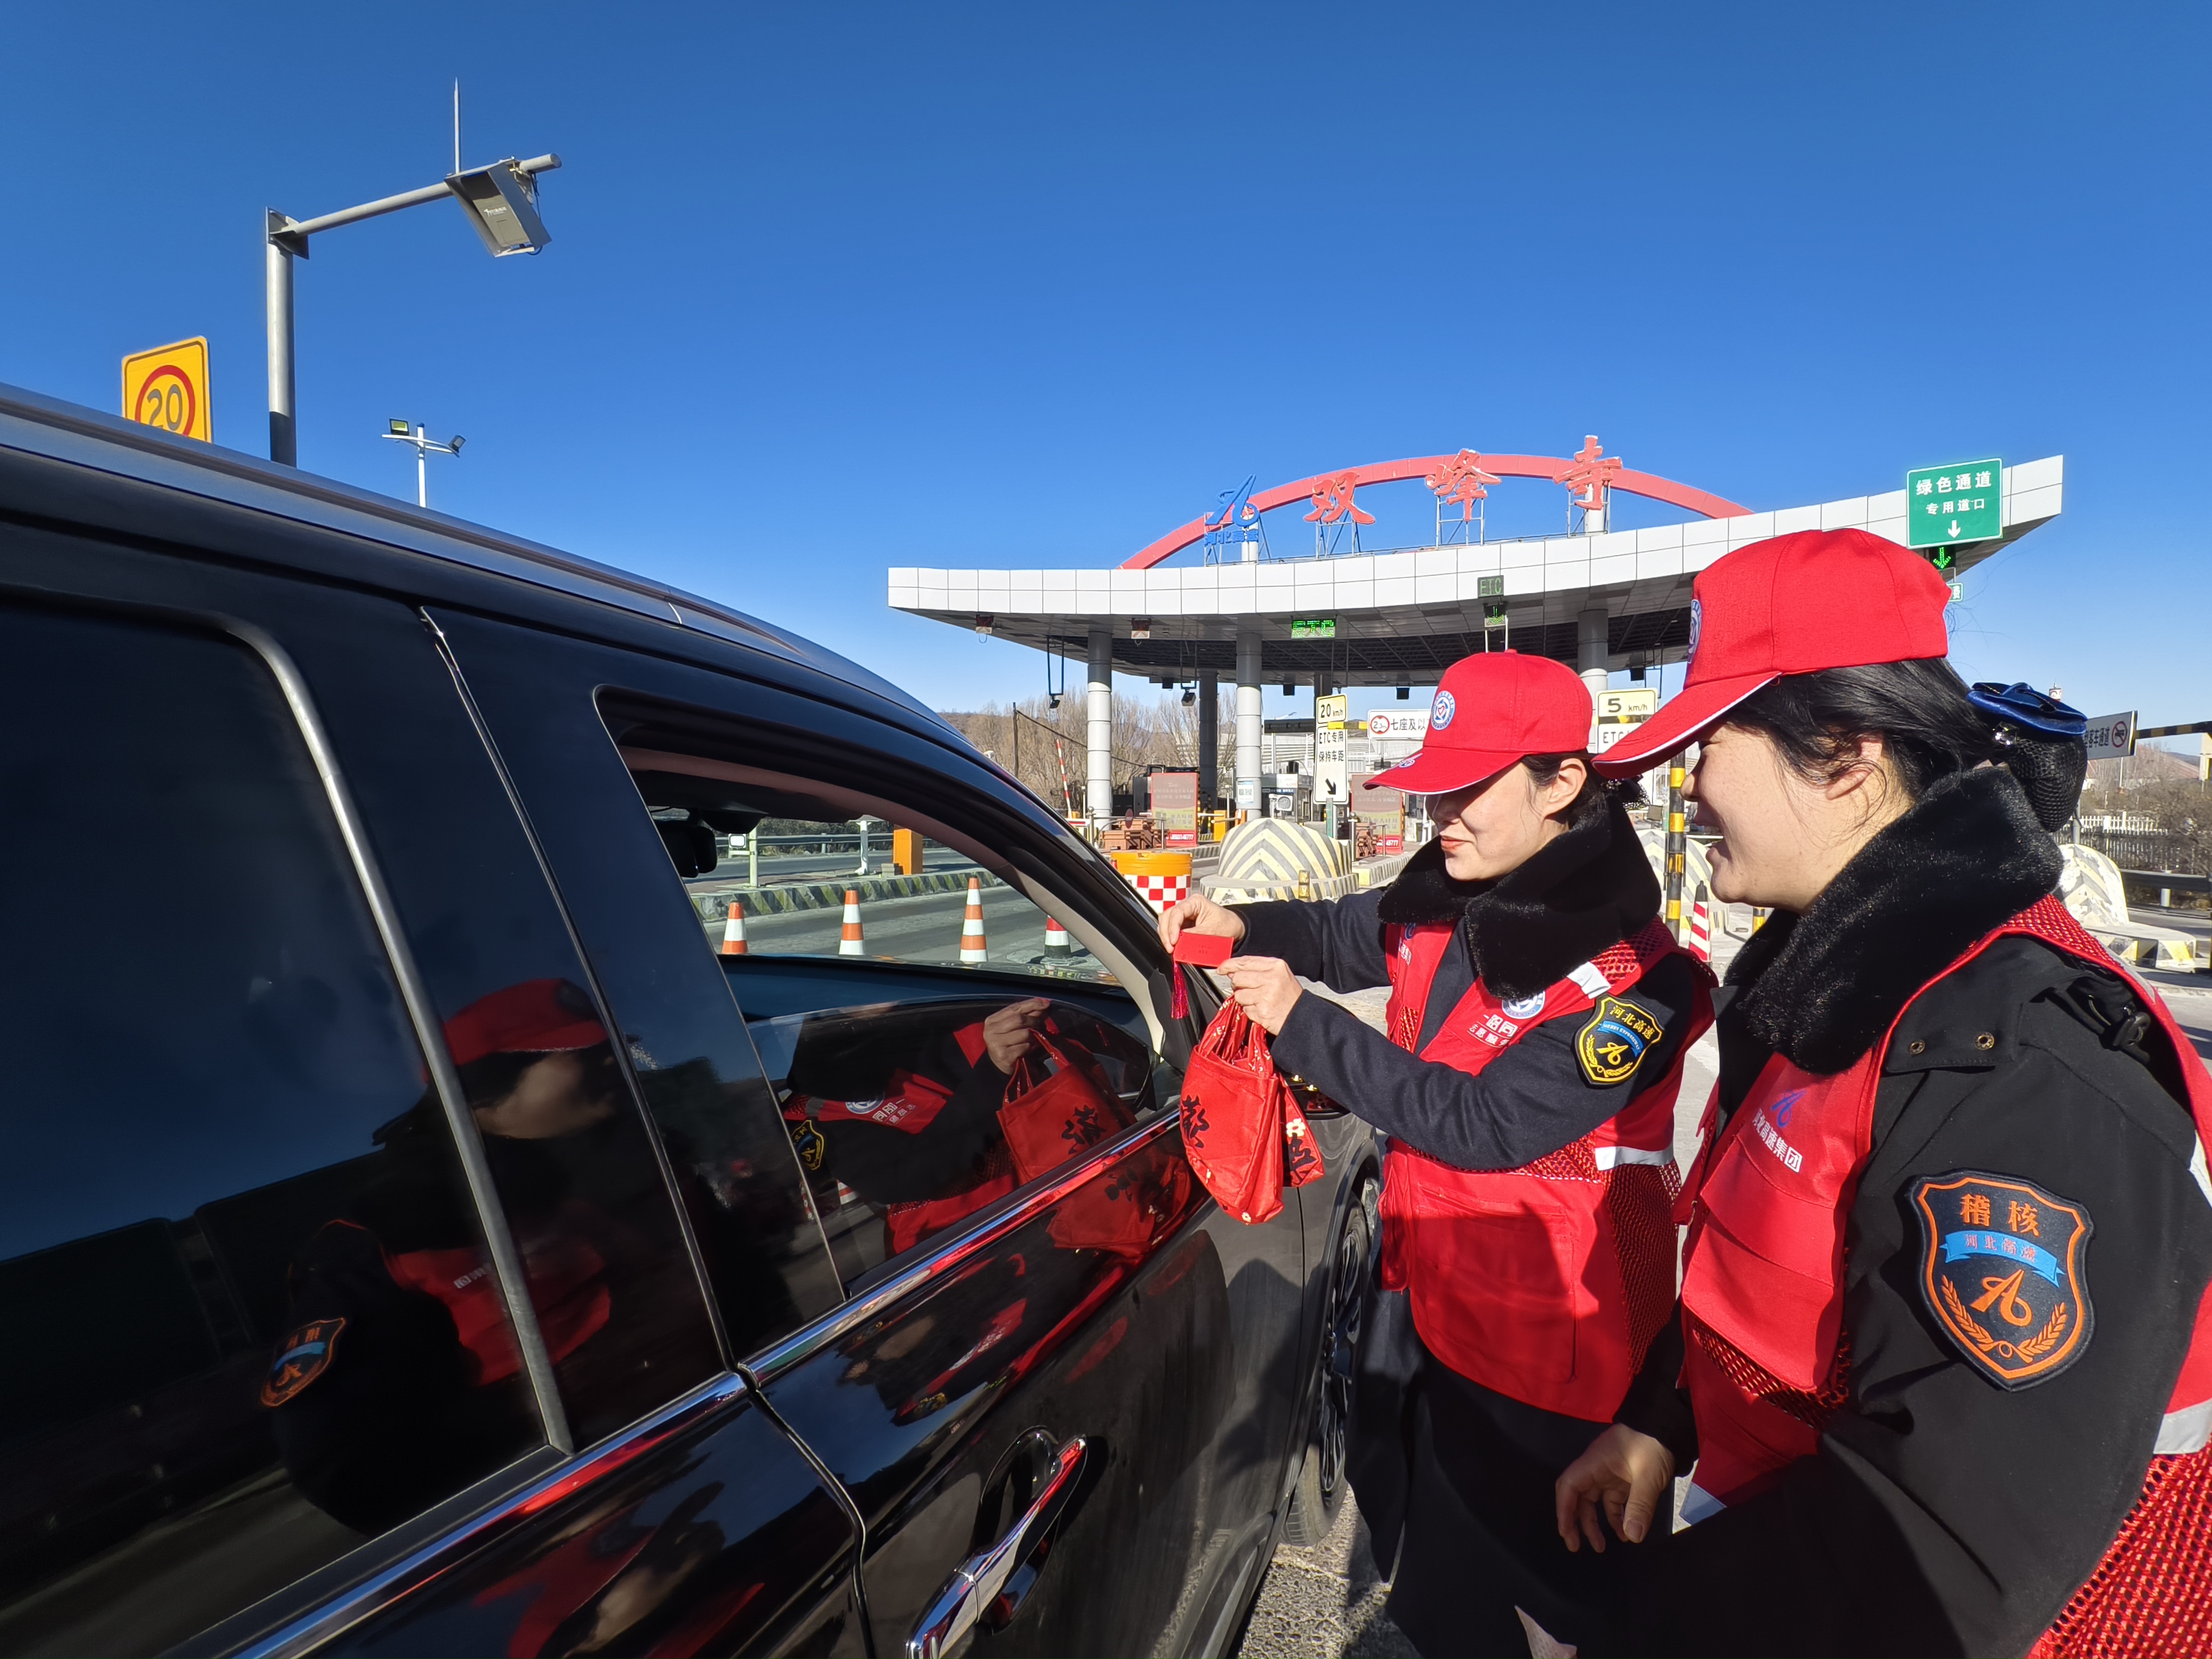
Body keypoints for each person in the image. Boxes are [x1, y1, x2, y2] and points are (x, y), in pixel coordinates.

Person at [1553, 528, 2212, 1658]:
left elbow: (1945, 1559)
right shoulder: (1838, 988)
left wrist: (1642, 1620)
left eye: (1710, 744)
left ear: (1849, 758)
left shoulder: (2014, 1063)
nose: (1688, 787)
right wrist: (1660, 1421)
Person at [1161, 650, 1714, 1658]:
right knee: (1434, 1577)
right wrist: (1239, 922)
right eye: (1433, 788)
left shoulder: (1637, 981)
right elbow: (1339, 931)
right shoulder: (1450, 897)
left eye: (1469, 789)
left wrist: (1301, 1023)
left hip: (1556, 1367)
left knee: (1549, 1614)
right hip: (1427, 1304)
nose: (1440, 815)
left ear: (1562, 784)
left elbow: (1484, 1124)